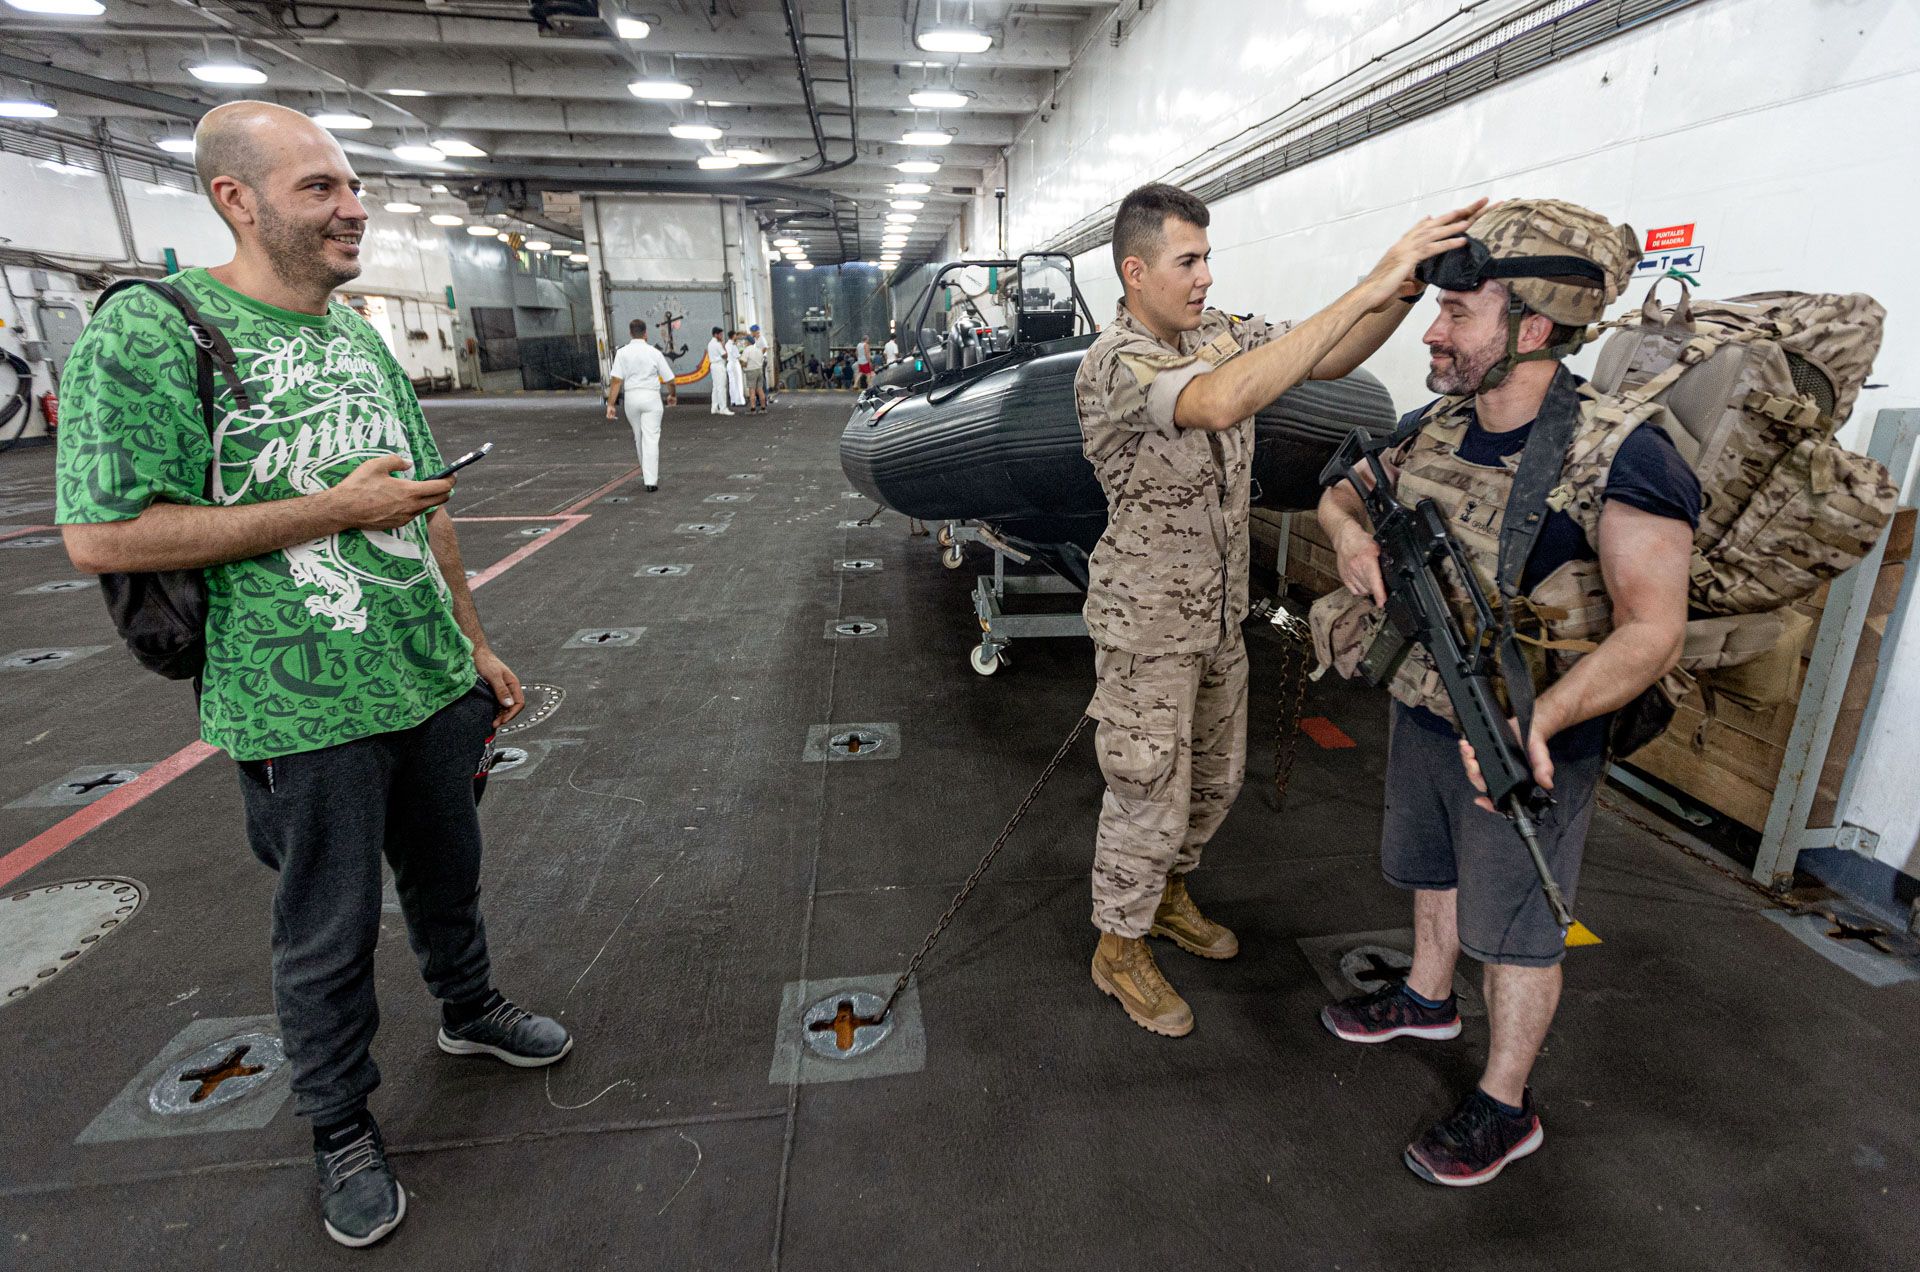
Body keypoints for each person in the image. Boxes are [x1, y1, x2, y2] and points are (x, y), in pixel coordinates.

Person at [53, 100, 571, 1249]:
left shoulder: (356, 340)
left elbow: (428, 513)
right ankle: (339, 1124)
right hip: (298, 698)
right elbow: (104, 535)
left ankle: (468, 1007)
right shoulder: (151, 334)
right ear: (235, 200)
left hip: (426, 677)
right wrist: (332, 511)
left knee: (449, 874)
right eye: (320, 190)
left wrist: (474, 645)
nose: (354, 206)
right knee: (325, 930)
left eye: (351, 185)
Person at [1312, 199, 1694, 1186]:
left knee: (1522, 931)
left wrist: (1544, 722)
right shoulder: (1435, 422)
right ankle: (1428, 997)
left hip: (1534, 738)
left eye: (1458, 314)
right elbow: (1341, 488)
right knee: (1429, 869)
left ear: (1532, 328)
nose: (1433, 333)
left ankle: (1504, 1102)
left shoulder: (1624, 454)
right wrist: (1352, 540)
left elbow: (1655, 629)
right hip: (1424, 704)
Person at [1073, 181, 1484, 1039]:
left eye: (1208, 258)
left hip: (1218, 614)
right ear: (1136, 270)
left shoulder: (1218, 333)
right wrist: (1372, 281)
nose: (1204, 278)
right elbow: (1219, 402)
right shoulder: (1118, 361)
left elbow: (1330, 355)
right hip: (1147, 626)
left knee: (1216, 782)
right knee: (1148, 790)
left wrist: (1402, 285)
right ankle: (1119, 946)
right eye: (1188, 261)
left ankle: (1169, 897)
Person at [605, 317, 677, 491]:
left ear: (631, 333)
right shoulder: (654, 352)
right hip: (651, 397)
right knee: (651, 438)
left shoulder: (622, 353)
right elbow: (670, 379)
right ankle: (651, 481)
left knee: (639, 437)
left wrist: (611, 404)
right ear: (646, 333)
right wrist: (672, 395)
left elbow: (616, 381)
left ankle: (646, 475)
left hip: (632, 398)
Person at [705, 326, 733, 415]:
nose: (721, 336)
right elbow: (725, 355)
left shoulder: (710, 343)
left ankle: (714, 407)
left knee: (716, 387)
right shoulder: (717, 344)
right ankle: (723, 408)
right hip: (719, 365)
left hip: (713, 365)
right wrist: (723, 345)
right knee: (721, 387)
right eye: (720, 334)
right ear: (715, 334)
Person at [740, 329, 767, 413]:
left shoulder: (746, 350)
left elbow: (743, 362)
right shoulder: (758, 350)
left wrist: (741, 364)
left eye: (745, 341)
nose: (744, 343)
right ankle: (763, 408)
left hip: (751, 371)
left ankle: (753, 409)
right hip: (759, 370)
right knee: (760, 389)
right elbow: (762, 358)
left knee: (752, 390)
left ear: (748, 342)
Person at [726, 330, 747, 409]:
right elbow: (738, 356)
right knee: (738, 382)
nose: (737, 337)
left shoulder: (727, 344)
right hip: (734, 364)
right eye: (736, 335)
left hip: (729, 364)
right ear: (733, 336)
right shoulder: (733, 345)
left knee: (732, 383)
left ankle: (733, 400)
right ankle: (740, 401)